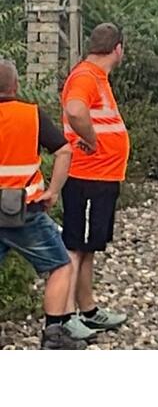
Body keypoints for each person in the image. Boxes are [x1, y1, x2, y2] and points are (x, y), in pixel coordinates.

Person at [0, 58, 87, 349]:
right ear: (15, 85)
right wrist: (52, 190)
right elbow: (64, 151)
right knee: (61, 265)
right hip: (26, 210)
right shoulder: (30, 115)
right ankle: (53, 335)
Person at [60, 22, 129, 336]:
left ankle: (87, 310)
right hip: (88, 176)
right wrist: (92, 140)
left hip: (100, 177)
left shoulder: (96, 76)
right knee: (75, 247)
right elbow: (75, 110)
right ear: (118, 48)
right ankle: (64, 317)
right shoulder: (86, 76)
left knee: (86, 247)